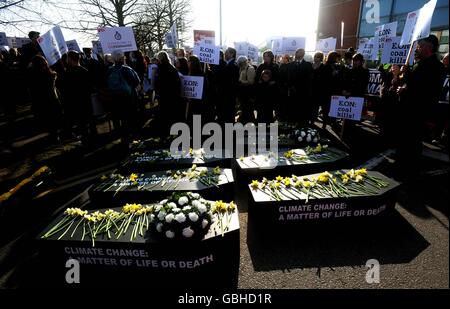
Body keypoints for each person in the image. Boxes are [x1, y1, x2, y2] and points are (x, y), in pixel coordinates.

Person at [396, 35, 446, 179]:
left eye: (420, 46)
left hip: (418, 112)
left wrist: (407, 79)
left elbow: (421, 90)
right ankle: (406, 169)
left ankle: (407, 172)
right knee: (409, 142)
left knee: (412, 143)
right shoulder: (423, 63)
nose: (417, 48)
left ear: (429, 47)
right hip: (413, 111)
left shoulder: (434, 67)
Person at [106, 50, 141, 145]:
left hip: (114, 99)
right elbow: (137, 82)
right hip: (127, 98)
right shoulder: (127, 69)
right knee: (128, 119)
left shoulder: (109, 70)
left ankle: (122, 138)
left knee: (117, 119)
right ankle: (129, 138)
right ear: (122, 58)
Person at [63, 51, 96, 145]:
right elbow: (90, 87)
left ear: (70, 59)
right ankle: (93, 139)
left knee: (82, 124)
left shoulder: (68, 73)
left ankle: (86, 141)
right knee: (89, 121)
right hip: (86, 101)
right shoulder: (84, 71)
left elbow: (65, 89)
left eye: (67, 58)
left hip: (76, 103)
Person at [27, 55, 63, 142]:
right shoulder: (51, 75)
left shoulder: (32, 76)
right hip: (52, 99)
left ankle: (52, 134)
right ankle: (55, 135)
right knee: (53, 119)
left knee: (46, 119)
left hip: (40, 101)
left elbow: (30, 88)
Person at [154, 51, 182, 132]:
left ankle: (165, 129)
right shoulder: (172, 67)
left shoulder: (160, 68)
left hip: (164, 94)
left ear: (160, 58)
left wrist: (157, 92)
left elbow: (158, 82)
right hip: (172, 93)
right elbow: (177, 81)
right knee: (171, 111)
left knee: (164, 112)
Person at [287, 48, 313, 124]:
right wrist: (290, 86)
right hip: (292, 93)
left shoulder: (308, 65)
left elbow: (309, 79)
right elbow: (288, 77)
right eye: (296, 51)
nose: (296, 53)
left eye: (298, 52)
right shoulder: (290, 64)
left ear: (303, 54)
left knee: (301, 113)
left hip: (303, 93)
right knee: (292, 112)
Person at [320, 51, 343, 128]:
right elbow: (323, 80)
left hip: (335, 91)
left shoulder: (338, 66)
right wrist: (331, 75)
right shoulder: (325, 66)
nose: (338, 60)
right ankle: (324, 124)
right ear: (333, 58)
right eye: (337, 58)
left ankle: (333, 122)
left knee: (334, 108)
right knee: (326, 108)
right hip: (327, 92)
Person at [217, 47, 239, 124]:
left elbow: (231, 81)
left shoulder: (233, 65)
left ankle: (228, 132)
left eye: (227, 52)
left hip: (229, 94)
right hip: (225, 93)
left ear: (232, 54)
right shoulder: (227, 63)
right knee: (225, 114)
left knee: (229, 114)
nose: (225, 54)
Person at [237, 56, 256, 123]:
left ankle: (250, 123)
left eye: (240, 63)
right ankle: (244, 121)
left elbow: (251, 82)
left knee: (249, 109)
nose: (239, 64)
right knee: (244, 108)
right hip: (242, 92)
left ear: (244, 62)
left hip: (248, 92)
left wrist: (241, 82)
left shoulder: (250, 68)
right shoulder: (241, 68)